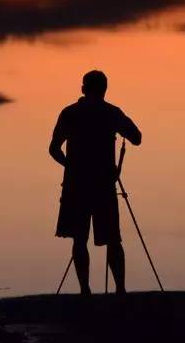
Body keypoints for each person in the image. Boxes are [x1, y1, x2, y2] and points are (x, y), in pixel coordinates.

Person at [49, 70, 142, 295]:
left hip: (76, 186)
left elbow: (53, 149)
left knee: (79, 239)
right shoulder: (111, 113)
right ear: (104, 90)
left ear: (83, 89)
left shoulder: (69, 113)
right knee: (113, 239)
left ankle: (85, 291)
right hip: (103, 186)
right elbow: (137, 138)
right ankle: (120, 290)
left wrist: (71, 167)